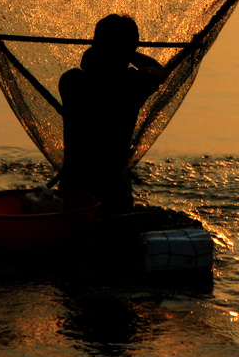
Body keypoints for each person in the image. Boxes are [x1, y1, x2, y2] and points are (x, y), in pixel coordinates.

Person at [58, 14, 165, 216]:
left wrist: (98, 50)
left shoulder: (71, 82)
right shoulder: (132, 85)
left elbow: (89, 65)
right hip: (113, 193)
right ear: (129, 49)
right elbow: (159, 71)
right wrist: (131, 55)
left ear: (95, 44)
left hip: (73, 189)